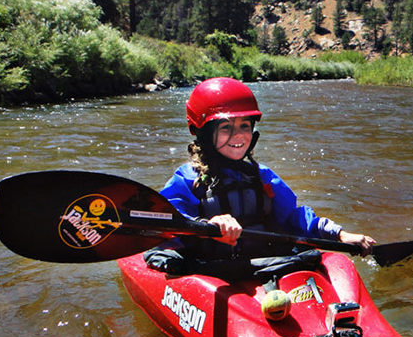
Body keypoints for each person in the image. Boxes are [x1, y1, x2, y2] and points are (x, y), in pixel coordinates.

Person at [145, 77, 374, 275]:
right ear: (203, 132)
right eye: (225, 127)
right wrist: (208, 226)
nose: (238, 135)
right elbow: (169, 222)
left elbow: (294, 218)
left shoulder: (262, 176)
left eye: (244, 126)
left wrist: (338, 234)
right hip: (209, 271)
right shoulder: (187, 180)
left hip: (261, 266)